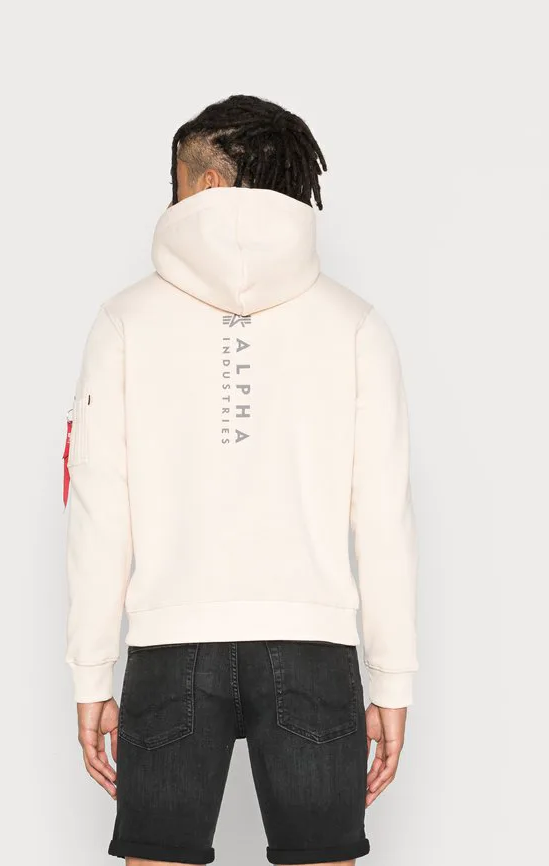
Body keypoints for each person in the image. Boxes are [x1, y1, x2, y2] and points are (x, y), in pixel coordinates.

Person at [64, 94, 418, 866]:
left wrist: (91, 669)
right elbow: (383, 517)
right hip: (313, 645)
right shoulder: (355, 323)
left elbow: (98, 507)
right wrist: (392, 679)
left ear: (207, 186)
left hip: (170, 644)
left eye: (176, 183)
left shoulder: (124, 320)